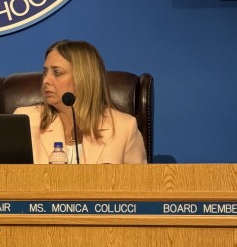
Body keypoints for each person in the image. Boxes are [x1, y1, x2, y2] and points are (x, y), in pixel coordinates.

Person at [15, 40, 147, 164]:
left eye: (57, 73)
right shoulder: (26, 121)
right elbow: (8, 176)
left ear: (83, 78)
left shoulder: (124, 128)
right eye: (45, 73)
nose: (46, 80)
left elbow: (138, 180)